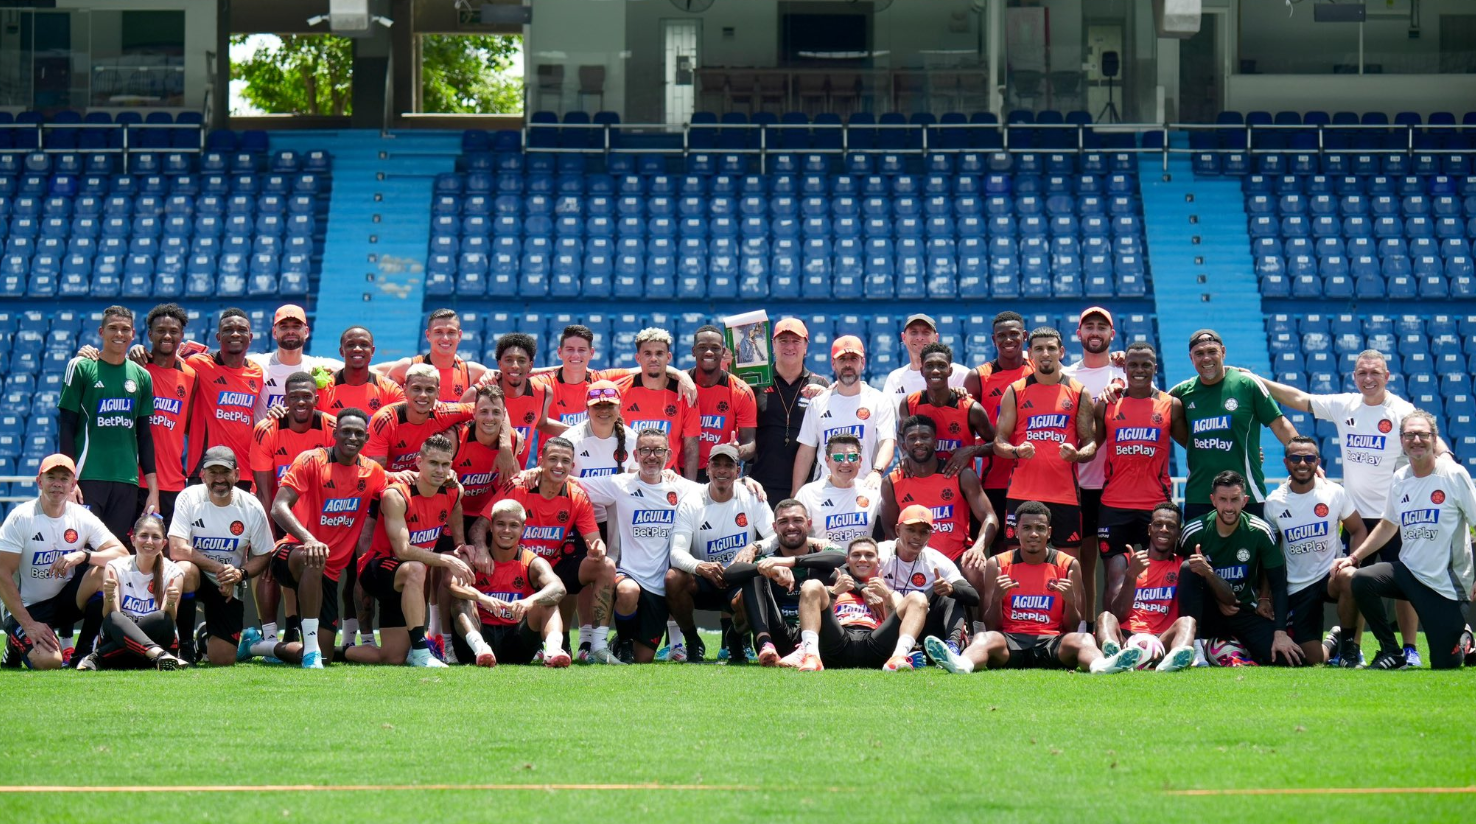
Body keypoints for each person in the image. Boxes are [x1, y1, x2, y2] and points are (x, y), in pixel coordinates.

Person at [1243, 348, 1435, 665]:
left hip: (1394, 517)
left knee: (1405, 582)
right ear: (1354, 376)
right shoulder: (1345, 404)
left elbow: (1426, 436)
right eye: (1362, 372)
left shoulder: (1401, 409)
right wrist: (1257, 380)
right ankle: (1352, 649)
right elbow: (1299, 399)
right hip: (1356, 516)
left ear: (1387, 376)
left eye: (1375, 372)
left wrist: (1444, 458)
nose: (1369, 378)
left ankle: (1411, 649)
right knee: (1354, 582)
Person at [924, 501, 1142, 675]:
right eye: (1026, 528)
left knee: (1085, 639)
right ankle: (961, 664)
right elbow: (990, 625)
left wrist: (1070, 602)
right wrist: (998, 599)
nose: (1033, 534)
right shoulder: (998, 564)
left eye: (1040, 528)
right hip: (1009, 641)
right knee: (982, 639)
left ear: (1049, 532)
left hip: (1052, 641)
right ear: (1016, 531)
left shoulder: (1067, 564)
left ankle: (1101, 666)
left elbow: (1075, 627)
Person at [244, 409, 387, 663]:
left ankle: (259, 646)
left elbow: (395, 486)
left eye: (357, 433)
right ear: (334, 434)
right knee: (314, 558)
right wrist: (309, 539)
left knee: (328, 656)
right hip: (294, 552)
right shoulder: (311, 460)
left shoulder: (372, 471)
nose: (351, 438)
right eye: (345, 432)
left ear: (366, 438)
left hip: (328, 572)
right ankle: (310, 650)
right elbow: (278, 507)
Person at [1338, 410, 1476, 670]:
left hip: (1444, 585)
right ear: (1401, 440)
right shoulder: (1400, 478)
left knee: (1445, 665)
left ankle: (1464, 639)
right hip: (1409, 572)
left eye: (1423, 434)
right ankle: (1392, 652)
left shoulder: (1454, 475)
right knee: (1361, 579)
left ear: (1434, 439)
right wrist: (1354, 558)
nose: (1416, 440)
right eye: (1409, 435)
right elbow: (1389, 524)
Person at [483, 437, 618, 665]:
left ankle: (597, 646)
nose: (559, 465)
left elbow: (595, 540)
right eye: (553, 459)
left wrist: (598, 549)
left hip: (554, 568)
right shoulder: (519, 486)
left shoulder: (577, 494)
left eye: (565, 461)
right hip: (522, 567)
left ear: (572, 465)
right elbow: (482, 523)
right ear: (541, 460)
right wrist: (479, 548)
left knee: (605, 566)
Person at [572, 428, 703, 663]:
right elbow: (577, 484)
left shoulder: (680, 487)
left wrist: (746, 481)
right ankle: (623, 644)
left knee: (644, 660)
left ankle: (626, 641)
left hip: (659, 585)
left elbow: (715, 491)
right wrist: (538, 472)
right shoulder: (619, 484)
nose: (651, 456)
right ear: (636, 454)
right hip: (626, 574)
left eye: (658, 450)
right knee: (627, 591)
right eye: (645, 450)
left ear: (669, 454)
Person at [346, 432, 473, 668]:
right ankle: (420, 650)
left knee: (392, 657)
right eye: (433, 463)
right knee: (415, 568)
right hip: (377, 569)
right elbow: (403, 550)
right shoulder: (396, 494)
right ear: (418, 462)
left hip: (408, 579)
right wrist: (448, 561)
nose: (440, 470)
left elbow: (455, 509)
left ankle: (334, 652)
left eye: (445, 464)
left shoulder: (455, 491)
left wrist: (459, 544)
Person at [0, 455, 127, 669]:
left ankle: (83, 653)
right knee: (49, 662)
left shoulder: (81, 516)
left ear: (73, 485)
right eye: (51, 477)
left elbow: (122, 555)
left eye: (64, 478)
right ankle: (14, 643)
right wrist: (28, 625)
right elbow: (2, 573)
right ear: (39, 481)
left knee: (104, 572)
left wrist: (84, 555)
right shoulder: (20, 517)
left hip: (63, 602)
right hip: (26, 608)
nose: (57, 483)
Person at [1177, 470, 1303, 667]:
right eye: (1223, 499)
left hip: (1243, 608)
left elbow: (1278, 586)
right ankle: (1195, 646)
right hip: (1207, 611)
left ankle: (1235, 647)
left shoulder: (1260, 531)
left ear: (1244, 501)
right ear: (1213, 500)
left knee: (1285, 659)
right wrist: (1218, 597)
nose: (1229, 507)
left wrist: (1280, 633)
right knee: (1188, 567)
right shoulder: (1194, 531)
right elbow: (1185, 582)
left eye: (1234, 500)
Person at [1094, 342, 1184, 614]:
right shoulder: (1107, 405)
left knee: (1156, 574)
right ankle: (1110, 636)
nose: (1140, 370)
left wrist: (1248, 453)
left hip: (1155, 506)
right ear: (1124, 367)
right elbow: (1090, 446)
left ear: (1155, 368)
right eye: (1133, 364)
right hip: (1113, 506)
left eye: (1146, 365)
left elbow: (1196, 444)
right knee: (1114, 574)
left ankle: (1153, 630)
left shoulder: (1172, 405)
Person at [249, 371, 338, 646]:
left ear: (316, 399)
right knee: (267, 566)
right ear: (285, 399)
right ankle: (268, 635)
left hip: (315, 511)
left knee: (301, 562)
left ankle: (293, 627)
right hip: (276, 509)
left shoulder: (331, 427)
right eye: (294, 397)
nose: (301, 402)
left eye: (307, 396)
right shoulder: (268, 428)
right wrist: (267, 540)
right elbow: (265, 491)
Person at [1171, 329, 1297, 520]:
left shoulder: (1247, 384)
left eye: (1212, 351)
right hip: (1199, 497)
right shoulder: (1183, 392)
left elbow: (1279, 425)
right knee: (1197, 551)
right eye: (1199, 353)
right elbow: (1152, 405)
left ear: (1223, 351)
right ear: (1191, 358)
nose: (1206, 358)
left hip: (1247, 496)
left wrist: (1304, 455)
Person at [167, 446, 276, 666]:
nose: (219, 479)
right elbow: (177, 549)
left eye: (225, 472)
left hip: (228, 583)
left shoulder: (251, 506)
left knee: (223, 660)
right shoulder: (189, 497)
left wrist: (239, 574)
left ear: (236, 474)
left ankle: (205, 639)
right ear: (202, 475)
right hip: (198, 576)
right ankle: (186, 648)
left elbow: (264, 554)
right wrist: (220, 569)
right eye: (213, 472)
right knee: (184, 570)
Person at [58, 305, 158, 545]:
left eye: (125, 329)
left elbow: (144, 436)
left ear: (133, 334)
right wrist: (68, 481)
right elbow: (66, 427)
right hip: (87, 477)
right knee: (81, 550)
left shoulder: (142, 376)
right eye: (113, 328)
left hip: (126, 480)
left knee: (115, 552)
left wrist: (153, 489)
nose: (119, 334)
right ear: (101, 331)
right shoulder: (81, 367)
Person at [1263, 437, 1367, 664]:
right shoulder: (1274, 502)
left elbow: (1358, 529)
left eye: (1309, 458)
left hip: (1331, 575)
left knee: (1352, 577)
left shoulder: (1334, 492)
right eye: (1296, 458)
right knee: (1312, 659)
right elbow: (1269, 552)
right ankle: (1334, 641)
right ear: (1286, 462)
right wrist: (1266, 594)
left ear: (1317, 461)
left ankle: (1350, 650)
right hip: (1298, 585)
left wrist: (1352, 560)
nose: (1302, 463)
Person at [994, 327, 1096, 559]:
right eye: (1038, 348)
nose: (1045, 353)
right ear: (1030, 354)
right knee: (1015, 567)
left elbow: (1091, 444)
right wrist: (1016, 451)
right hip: (1022, 494)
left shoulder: (1078, 392)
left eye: (1051, 348)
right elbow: (999, 441)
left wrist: (1077, 455)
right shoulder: (1015, 391)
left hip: (1064, 496)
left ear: (1061, 352)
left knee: (1069, 569)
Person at [668, 443, 775, 663]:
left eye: (729, 465)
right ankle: (692, 641)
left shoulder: (752, 496)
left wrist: (755, 547)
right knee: (672, 578)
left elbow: (775, 536)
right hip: (704, 579)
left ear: (738, 471)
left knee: (757, 589)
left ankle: (736, 638)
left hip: (737, 580)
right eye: (716, 464)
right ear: (707, 469)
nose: (722, 470)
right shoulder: (691, 501)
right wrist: (700, 566)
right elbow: (676, 553)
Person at [1060, 306, 1126, 630]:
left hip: (1117, 483)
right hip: (1080, 482)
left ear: (1112, 335)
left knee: (1116, 560)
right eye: (1090, 327)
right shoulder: (1067, 375)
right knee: (1084, 559)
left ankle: (1117, 625)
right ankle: (1086, 626)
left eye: (1102, 327)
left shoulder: (1127, 372)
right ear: (1079, 334)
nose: (1095, 332)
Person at [447, 499, 571, 668]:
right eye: (500, 524)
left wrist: (530, 601)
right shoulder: (474, 558)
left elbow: (559, 588)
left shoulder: (532, 561)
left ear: (523, 529)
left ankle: (553, 652)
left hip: (517, 641)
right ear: (491, 527)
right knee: (461, 600)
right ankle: (481, 649)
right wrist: (480, 597)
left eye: (513, 525)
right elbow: (451, 583)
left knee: (548, 600)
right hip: (478, 638)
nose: (506, 530)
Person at [722, 500, 845, 669]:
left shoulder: (822, 552)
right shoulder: (768, 560)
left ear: (808, 524)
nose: (791, 526)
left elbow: (842, 557)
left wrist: (789, 562)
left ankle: (810, 652)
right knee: (755, 574)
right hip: (779, 635)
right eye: (783, 522)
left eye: (797, 520)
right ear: (774, 527)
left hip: (816, 638)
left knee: (832, 571)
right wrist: (768, 569)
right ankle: (765, 643)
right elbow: (729, 573)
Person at [795, 537, 932, 671]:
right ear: (847, 560)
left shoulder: (890, 594)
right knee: (811, 585)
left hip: (876, 645)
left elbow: (895, 627)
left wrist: (886, 597)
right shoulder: (830, 590)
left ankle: (899, 657)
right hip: (837, 642)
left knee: (918, 598)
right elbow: (820, 623)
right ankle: (811, 656)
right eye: (856, 555)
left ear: (878, 561)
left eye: (869, 555)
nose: (862, 559)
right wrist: (835, 593)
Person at [1094, 503, 1198, 673]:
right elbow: (1118, 613)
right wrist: (1131, 576)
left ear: (1179, 533)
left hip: (1162, 638)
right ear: (1149, 529)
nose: (1164, 530)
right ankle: (1113, 659)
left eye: (1171, 526)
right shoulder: (1125, 561)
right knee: (1105, 617)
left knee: (1188, 622)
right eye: (1158, 525)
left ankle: (1174, 659)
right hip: (1127, 637)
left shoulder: (1183, 565)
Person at [76, 513, 187, 671]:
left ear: (163, 543)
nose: (149, 541)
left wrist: (170, 602)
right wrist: (109, 597)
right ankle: (159, 655)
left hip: (125, 649)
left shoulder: (174, 572)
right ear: (133, 539)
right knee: (114, 617)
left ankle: (98, 657)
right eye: (144, 536)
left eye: (155, 537)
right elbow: (110, 618)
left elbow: (167, 623)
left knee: (163, 618)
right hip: (132, 647)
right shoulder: (116, 566)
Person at [881, 415, 998, 565]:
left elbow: (990, 517)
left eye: (924, 437)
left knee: (976, 568)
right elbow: (889, 527)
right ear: (904, 446)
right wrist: (905, 557)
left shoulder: (962, 475)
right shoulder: (891, 482)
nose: (918, 442)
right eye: (912, 438)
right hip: (914, 560)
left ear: (935, 442)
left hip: (956, 556)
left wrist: (978, 548)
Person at [791, 336, 896, 496]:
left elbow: (887, 442)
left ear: (863, 363)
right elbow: (806, 451)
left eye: (853, 358)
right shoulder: (818, 403)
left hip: (865, 490)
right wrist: (796, 494)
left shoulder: (879, 400)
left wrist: (877, 471)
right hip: (824, 493)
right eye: (842, 359)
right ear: (833, 364)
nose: (848, 364)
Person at [875, 505, 981, 661]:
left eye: (924, 532)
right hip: (885, 621)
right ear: (898, 530)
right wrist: (863, 588)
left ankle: (952, 648)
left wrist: (951, 589)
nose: (917, 537)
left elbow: (974, 596)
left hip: (924, 624)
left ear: (930, 535)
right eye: (911, 530)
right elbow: (846, 571)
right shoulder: (879, 552)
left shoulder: (936, 560)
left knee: (952, 595)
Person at [963, 311, 1034, 542]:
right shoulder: (978, 377)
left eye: (1014, 334)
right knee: (1000, 551)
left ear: (1024, 336)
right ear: (993, 340)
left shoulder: (1040, 373)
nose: (1008, 340)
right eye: (1001, 335)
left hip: (1034, 479)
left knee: (1030, 548)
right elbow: (966, 428)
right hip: (995, 480)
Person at [751, 318, 829, 505]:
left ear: (806, 346)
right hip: (761, 485)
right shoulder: (756, 383)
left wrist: (827, 395)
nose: (789, 346)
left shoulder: (820, 385)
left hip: (806, 486)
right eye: (783, 340)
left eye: (796, 341)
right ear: (773, 345)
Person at [185, 309, 267, 488]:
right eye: (228, 329)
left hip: (242, 471)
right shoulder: (198, 364)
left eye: (241, 330)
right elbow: (164, 365)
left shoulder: (257, 373)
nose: (235, 334)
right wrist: (140, 351)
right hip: (205, 470)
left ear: (250, 337)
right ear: (218, 337)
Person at [136, 303, 195, 529]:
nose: (167, 335)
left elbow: (186, 425)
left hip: (173, 483)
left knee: (170, 555)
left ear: (182, 335)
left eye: (173, 331)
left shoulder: (190, 376)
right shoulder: (136, 368)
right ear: (150, 334)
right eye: (160, 330)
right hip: (137, 480)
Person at [615, 328, 701, 478]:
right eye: (647, 353)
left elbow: (691, 447)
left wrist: (691, 488)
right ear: (638, 358)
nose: (654, 358)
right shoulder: (620, 391)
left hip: (668, 477)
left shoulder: (685, 393)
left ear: (668, 357)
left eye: (659, 353)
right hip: (628, 478)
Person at [473, 332, 564, 469]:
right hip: (477, 480)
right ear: (499, 364)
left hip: (514, 481)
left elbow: (542, 423)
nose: (515, 365)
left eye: (521, 360)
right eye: (508, 360)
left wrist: (582, 432)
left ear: (530, 365)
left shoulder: (543, 393)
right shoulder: (477, 394)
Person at [363, 363, 475, 471]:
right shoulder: (385, 419)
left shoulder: (444, 413)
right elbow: (376, 472)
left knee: (455, 486)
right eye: (416, 388)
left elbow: (482, 410)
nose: (423, 395)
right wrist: (397, 478)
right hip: (391, 485)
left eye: (429, 390)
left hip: (425, 481)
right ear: (405, 389)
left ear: (438, 393)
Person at [898, 343, 991, 469]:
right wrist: (906, 454)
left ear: (950, 371)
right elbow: (900, 434)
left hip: (961, 483)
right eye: (929, 366)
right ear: (922, 371)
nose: (935, 371)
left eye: (941, 366)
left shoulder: (971, 408)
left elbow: (998, 444)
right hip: (921, 482)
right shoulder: (908, 404)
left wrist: (972, 450)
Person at [373, 308, 490, 402]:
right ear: (428, 335)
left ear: (459, 336)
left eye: (451, 332)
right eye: (438, 332)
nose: (445, 338)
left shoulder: (473, 372)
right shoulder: (406, 367)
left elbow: (505, 375)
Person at [248, 304, 343, 418]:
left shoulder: (319, 367)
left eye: (296, 326)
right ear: (274, 332)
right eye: (284, 327)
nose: (290, 332)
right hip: (267, 435)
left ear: (306, 331)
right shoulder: (256, 364)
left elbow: (364, 371)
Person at [688, 325, 758, 479]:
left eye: (715, 347)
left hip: (721, 472)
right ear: (693, 351)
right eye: (702, 347)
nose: (708, 352)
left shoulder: (740, 391)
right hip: (682, 471)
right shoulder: (680, 385)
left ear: (723, 351)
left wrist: (737, 450)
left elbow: (750, 443)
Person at [450, 384, 523, 529]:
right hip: (453, 514)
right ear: (474, 413)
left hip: (489, 516)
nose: (490, 418)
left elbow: (513, 483)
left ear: (504, 415)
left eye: (496, 412)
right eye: (484, 411)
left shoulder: (516, 440)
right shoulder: (455, 439)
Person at [795, 433, 882, 545]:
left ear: (860, 461)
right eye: (838, 457)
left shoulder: (872, 491)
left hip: (860, 561)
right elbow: (792, 535)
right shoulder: (808, 493)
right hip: (824, 561)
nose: (845, 463)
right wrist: (816, 542)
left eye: (852, 457)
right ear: (827, 461)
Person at [316, 326, 406, 415]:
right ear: (341, 351)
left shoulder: (390, 390)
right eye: (351, 345)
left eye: (364, 344)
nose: (357, 349)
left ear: (372, 351)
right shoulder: (322, 390)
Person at [880, 313, 970, 398]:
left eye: (926, 332)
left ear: (936, 338)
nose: (919, 338)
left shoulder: (960, 374)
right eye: (913, 332)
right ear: (904, 338)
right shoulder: (895, 379)